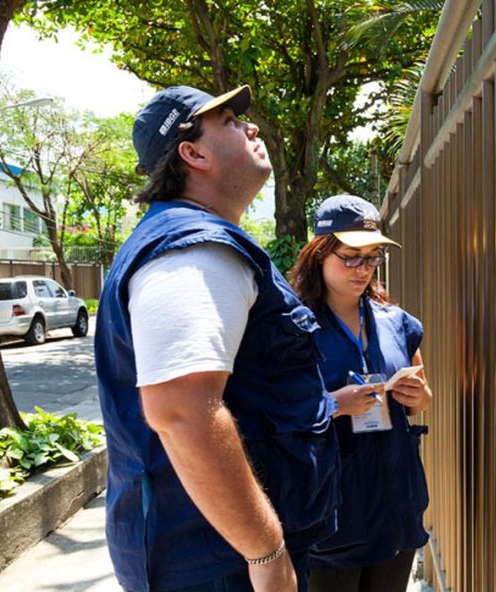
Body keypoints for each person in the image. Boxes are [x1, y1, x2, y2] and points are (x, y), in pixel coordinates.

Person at [95, 86, 377, 592]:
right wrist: (265, 550)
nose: (251, 127)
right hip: (222, 563)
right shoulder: (193, 248)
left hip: (219, 552)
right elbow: (181, 410)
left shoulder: (194, 240)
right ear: (193, 153)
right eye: (227, 120)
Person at [288, 195, 433, 592]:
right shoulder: (293, 327)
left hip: (395, 502)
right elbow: (273, 412)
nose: (363, 269)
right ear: (319, 254)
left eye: (372, 257)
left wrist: (417, 396)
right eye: (350, 256)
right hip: (331, 510)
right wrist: (335, 404)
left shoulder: (396, 322)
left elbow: (424, 398)